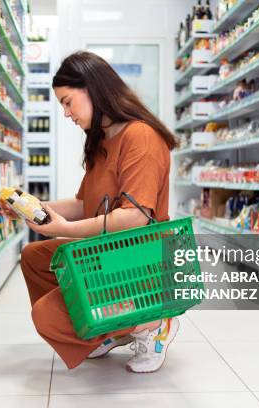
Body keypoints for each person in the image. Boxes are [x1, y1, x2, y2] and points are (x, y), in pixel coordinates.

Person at [9, 51, 178, 373]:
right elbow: (82, 205)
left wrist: (63, 229)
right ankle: (114, 326)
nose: (65, 112)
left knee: (48, 317)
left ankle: (152, 323)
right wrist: (31, 208)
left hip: (142, 258)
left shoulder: (140, 137)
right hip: (112, 251)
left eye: (68, 101)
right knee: (35, 257)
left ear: (92, 88)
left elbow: (134, 217)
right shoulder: (102, 142)